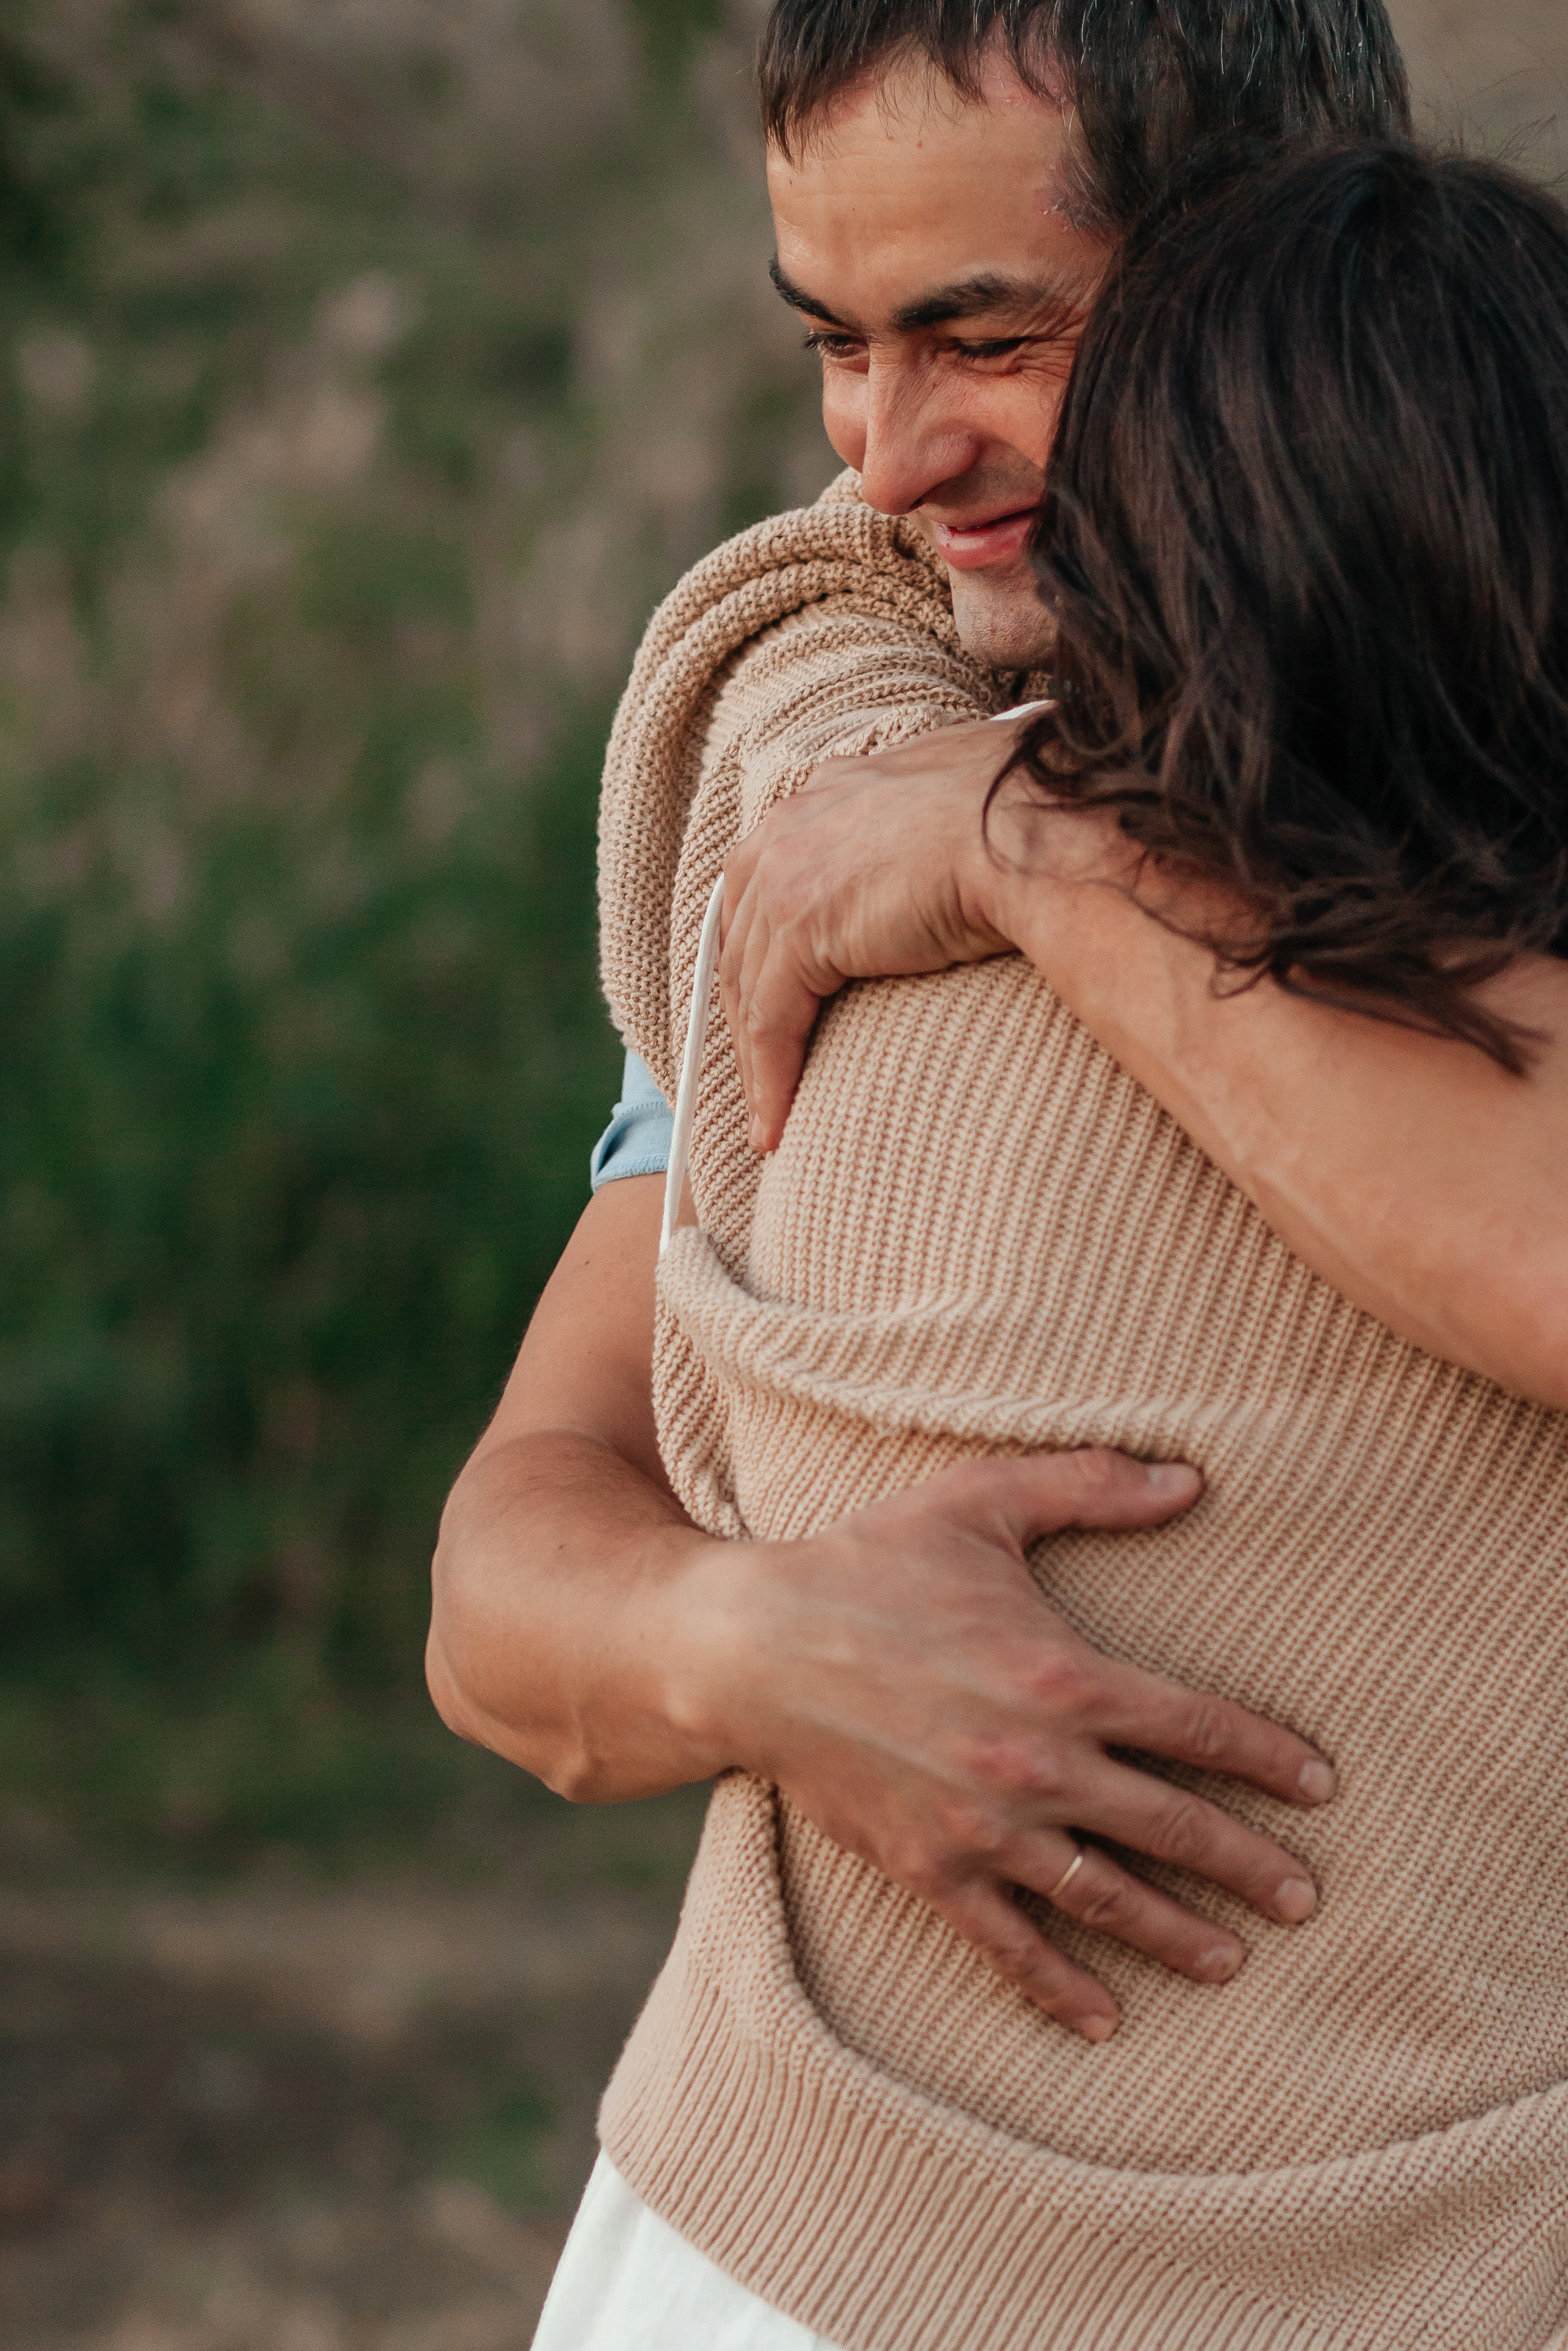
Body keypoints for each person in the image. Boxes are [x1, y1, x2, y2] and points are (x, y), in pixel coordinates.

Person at [574, 137, 1568, 2349]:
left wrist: (1025, 852)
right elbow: (503, 1577)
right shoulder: (835, 822)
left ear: (1207, 299)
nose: (891, 457)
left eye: (991, 336)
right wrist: (756, 1642)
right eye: (834, 345)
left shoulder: (852, 823)